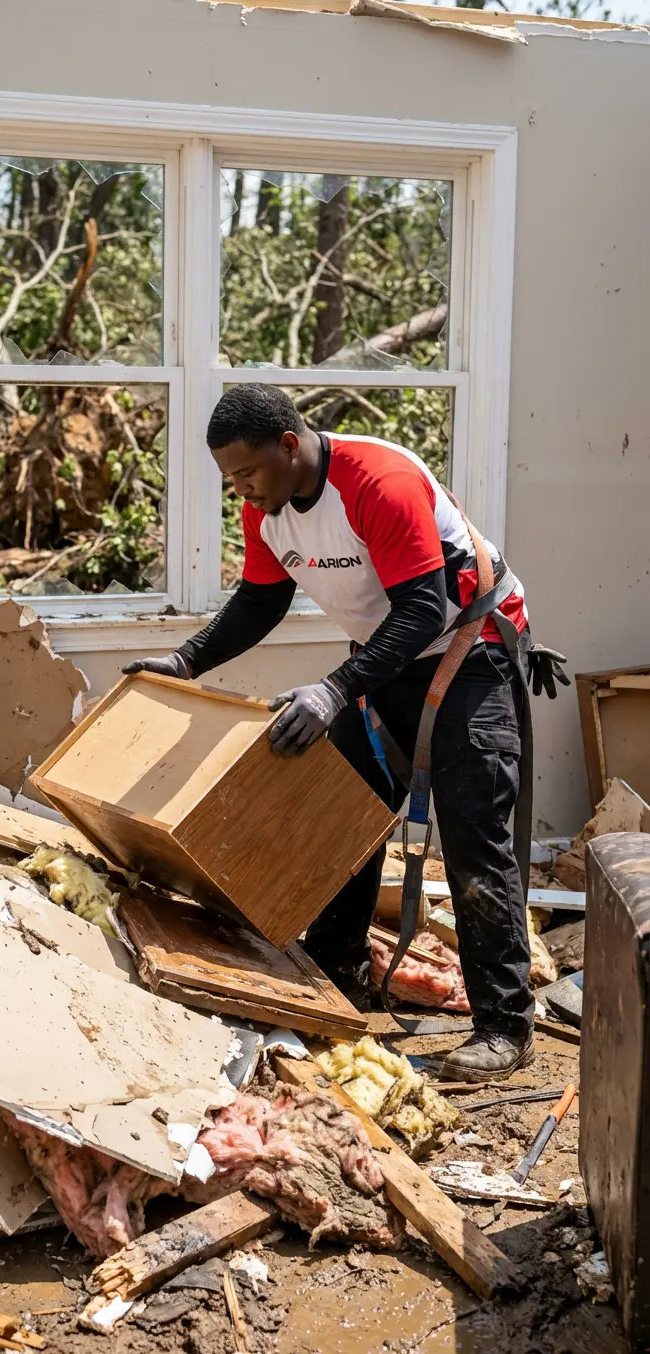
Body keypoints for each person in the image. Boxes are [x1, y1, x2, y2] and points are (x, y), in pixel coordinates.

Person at [123, 383, 568, 1084]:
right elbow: (261, 601)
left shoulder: (376, 481)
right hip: (386, 655)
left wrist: (334, 690)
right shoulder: (266, 510)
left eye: (248, 473)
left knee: (476, 842)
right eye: (230, 479)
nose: (241, 490)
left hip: (469, 649)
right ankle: (337, 980)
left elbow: (423, 609)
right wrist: (185, 660)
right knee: (339, 818)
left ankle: (504, 1028)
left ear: (290, 446)